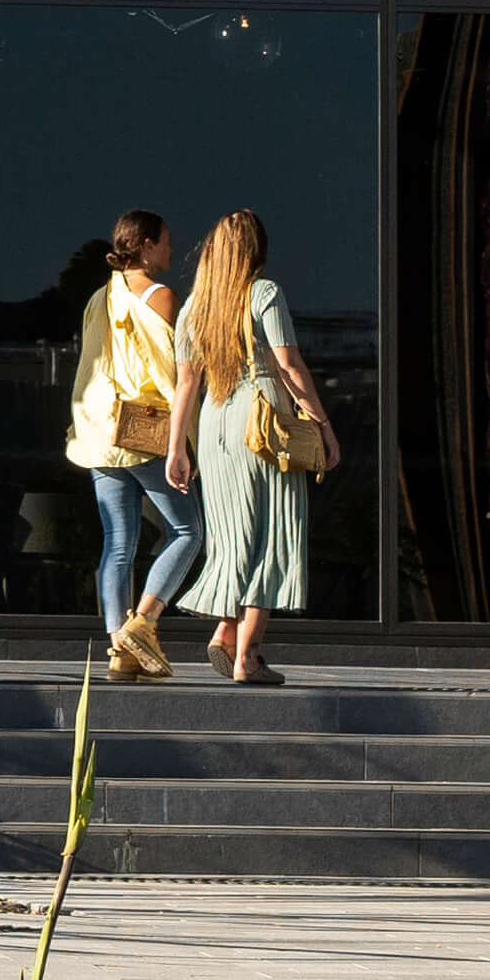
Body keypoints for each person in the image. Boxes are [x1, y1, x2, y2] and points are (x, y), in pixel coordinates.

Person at [165, 201, 326, 688]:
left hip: (214, 428)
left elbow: (186, 384)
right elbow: (290, 366)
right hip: (263, 429)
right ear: (257, 250)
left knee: (234, 539)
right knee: (272, 539)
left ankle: (224, 631)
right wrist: (322, 424)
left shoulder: (195, 305)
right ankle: (247, 658)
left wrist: (177, 449)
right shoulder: (264, 293)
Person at [62, 211, 192, 678]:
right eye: (167, 243)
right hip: (144, 430)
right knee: (188, 531)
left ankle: (120, 649)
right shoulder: (160, 297)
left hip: (99, 431)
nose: (172, 252)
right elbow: (170, 371)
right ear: (148, 244)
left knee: (118, 545)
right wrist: (185, 437)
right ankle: (144, 623)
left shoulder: (100, 297)